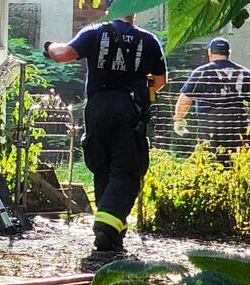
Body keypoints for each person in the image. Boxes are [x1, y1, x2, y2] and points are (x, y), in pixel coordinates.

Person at [44, 15, 168, 251]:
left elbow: (63, 55)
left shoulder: (93, 32)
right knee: (126, 169)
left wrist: (49, 47)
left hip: (97, 107)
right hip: (129, 109)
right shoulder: (148, 40)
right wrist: (140, 89)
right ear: (134, 16)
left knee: (101, 167)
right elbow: (160, 80)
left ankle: (111, 232)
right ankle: (106, 226)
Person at [172, 37, 250, 151]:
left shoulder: (201, 72)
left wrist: (179, 119)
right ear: (229, 53)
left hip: (209, 128)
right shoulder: (243, 72)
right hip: (237, 128)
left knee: (210, 163)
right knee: (236, 163)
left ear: (209, 53)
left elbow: (185, 99)